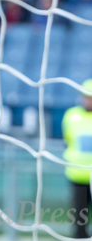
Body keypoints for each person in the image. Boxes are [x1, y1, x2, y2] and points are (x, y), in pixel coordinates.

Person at [62, 80, 92, 239]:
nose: (88, 100)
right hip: (77, 175)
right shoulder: (71, 115)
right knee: (80, 220)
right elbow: (68, 139)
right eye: (86, 96)